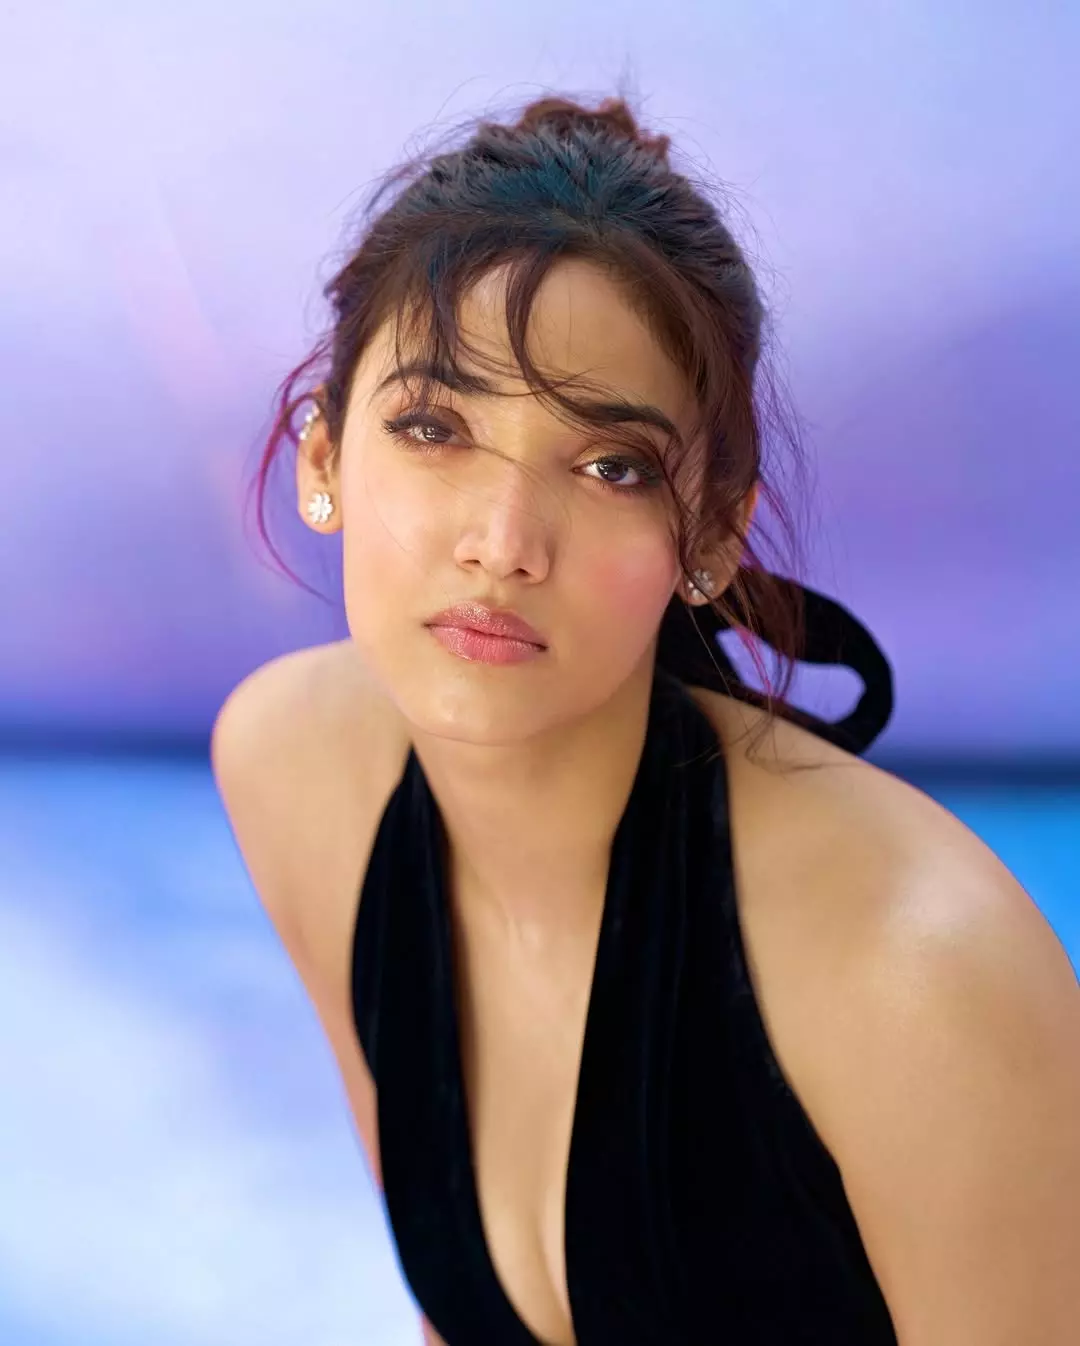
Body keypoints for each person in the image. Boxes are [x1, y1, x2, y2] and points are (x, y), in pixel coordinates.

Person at [211, 96, 1080, 1346]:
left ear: (713, 532)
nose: (503, 543)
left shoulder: (920, 973)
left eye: (609, 464)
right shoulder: (294, 767)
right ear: (324, 460)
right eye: (435, 427)